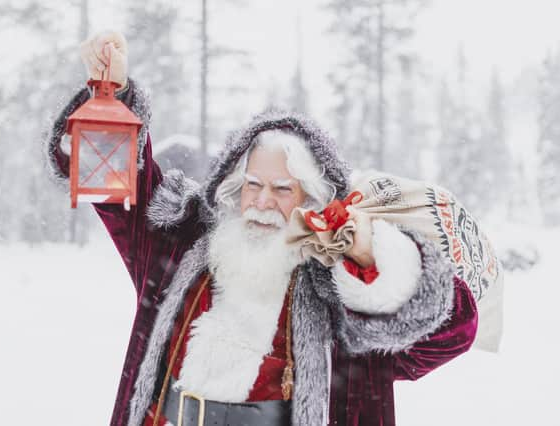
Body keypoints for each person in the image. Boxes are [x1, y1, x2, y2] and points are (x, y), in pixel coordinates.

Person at [44, 31, 478, 426]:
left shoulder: (340, 294)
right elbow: (119, 187)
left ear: (312, 198)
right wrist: (111, 98)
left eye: (283, 189)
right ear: (234, 185)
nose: (263, 201)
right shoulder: (182, 246)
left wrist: (375, 259)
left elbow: (452, 332)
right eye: (253, 184)